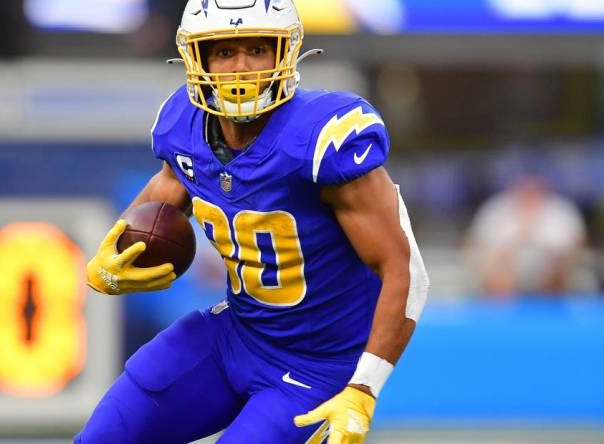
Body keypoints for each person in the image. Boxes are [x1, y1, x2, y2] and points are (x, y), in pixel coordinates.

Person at [76, 1, 429, 443]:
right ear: (196, 57)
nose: (241, 67)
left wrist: (363, 387)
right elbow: (161, 198)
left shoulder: (321, 137)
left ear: (285, 53)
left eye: (258, 49)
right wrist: (112, 256)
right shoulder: (184, 127)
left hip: (318, 367)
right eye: (224, 52)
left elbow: (406, 270)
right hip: (235, 335)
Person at [466, 174, 586, 298]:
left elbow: (573, 244)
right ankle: (502, 311)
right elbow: (478, 242)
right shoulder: (496, 208)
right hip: (505, 264)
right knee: (497, 266)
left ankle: (549, 308)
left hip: (549, 264)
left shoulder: (561, 210)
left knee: (558, 265)